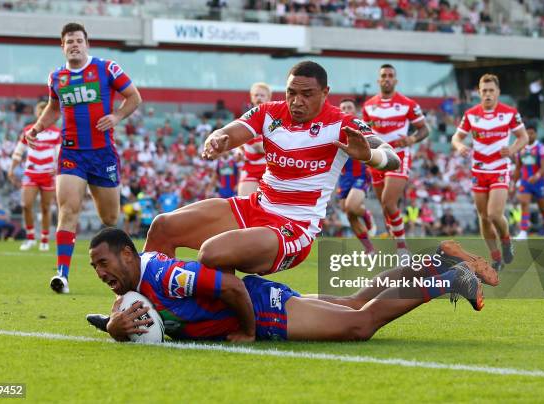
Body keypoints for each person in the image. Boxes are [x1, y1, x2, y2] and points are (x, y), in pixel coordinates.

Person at [144, 61, 400, 276]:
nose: (297, 101)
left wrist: (369, 156)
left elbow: (392, 158)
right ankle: (142, 306)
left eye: (307, 94)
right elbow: (230, 132)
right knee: (162, 227)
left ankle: (223, 317)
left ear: (325, 92)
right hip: (257, 206)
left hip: (295, 226)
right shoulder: (270, 113)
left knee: (213, 252)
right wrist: (218, 138)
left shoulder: (342, 123)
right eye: (291, 93)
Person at [87, 228, 490, 342]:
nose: (101, 273)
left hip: (263, 310)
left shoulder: (162, 274)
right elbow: (129, 310)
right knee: (354, 303)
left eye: (103, 263)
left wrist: (246, 331)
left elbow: (232, 290)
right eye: (94, 268)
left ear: (127, 254)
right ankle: (436, 258)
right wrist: (109, 324)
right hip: (263, 303)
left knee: (360, 324)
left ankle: (450, 279)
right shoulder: (134, 283)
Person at [25, 22, 142, 293]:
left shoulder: (107, 68)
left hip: (103, 154)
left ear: (86, 43)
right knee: (67, 210)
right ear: (63, 46)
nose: (75, 45)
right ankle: (62, 275)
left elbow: (134, 97)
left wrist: (116, 116)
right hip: (71, 153)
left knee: (110, 218)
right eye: (70, 41)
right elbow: (54, 107)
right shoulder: (56, 78)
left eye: (79, 40)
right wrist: (38, 128)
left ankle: (133, 265)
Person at [452, 74, 528, 271]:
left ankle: (506, 241)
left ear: (498, 93)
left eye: (491, 90)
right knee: (484, 217)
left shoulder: (509, 113)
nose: (487, 94)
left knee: (494, 214)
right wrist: (460, 146)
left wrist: (511, 149)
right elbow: (456, 138)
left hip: (500, 169)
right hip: (479, 170)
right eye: (484, 90)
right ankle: (495, 258)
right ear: (479, 92)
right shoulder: (470, 114)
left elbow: (523, 137)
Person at [361, 64, 429, 256]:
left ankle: (402, 248)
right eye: (383, 76)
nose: (387, 79)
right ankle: (394, 242)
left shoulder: (408, 104)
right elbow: (366, 132)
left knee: (389, 202)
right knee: (385, 207)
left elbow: (424, 129)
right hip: (377, 157)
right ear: (378, 80)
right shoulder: (369, 106)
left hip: (399, 155)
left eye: (390, 75)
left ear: (396, 80)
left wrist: (412, 138)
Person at [9, 101, 61, 251]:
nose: (41, 113)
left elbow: (60, 154)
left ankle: (44, 239)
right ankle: (30, 237)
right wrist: (12, 169)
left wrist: (57, 168)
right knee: (26, 205)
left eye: (44, 110)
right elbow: (18, 152)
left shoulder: (56, 133)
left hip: (48, 175)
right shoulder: (28, 130)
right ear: (36, 113)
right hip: (31, 173)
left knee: (46, 208)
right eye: (39, 111)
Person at [337, 98, 375, 253]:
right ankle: (369, 249)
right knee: (349, 214)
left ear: (355, 111)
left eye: (349, 107)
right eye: (343, 107)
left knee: (352, 207)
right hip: (343, 177)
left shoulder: (361, 127)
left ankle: (366, 214)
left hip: (360, 174)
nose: (346, 109)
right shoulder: (334, 128)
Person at [512, 123, 544, 240]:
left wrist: (537, 176)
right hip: (525, 182)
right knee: (524, 204)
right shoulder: (521, 148)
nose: (529, 135)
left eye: (532, 133)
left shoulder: (541, 148)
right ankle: (523, 232)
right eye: (527, 133)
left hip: (539, 182)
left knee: (542, 208)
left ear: (536, 134)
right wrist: (513, 184)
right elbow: (517, 168)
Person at [237, 82, 272, 196]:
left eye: (262, 95)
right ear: (251, 98)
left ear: (269, 98)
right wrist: (239, 150)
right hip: (250, 170)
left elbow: (259, 147)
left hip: (271, 171)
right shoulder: (245, 119)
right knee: (243, 207)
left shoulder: (275, 120)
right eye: (256, 95)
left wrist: (262, 147)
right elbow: (239, 142)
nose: (259, 98)